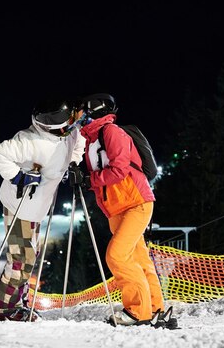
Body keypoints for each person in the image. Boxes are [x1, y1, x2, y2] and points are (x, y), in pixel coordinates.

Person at [68, 93, 174, 327]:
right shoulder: (92, 140)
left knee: (116, 255)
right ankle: (156, 308)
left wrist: (88, 179)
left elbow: (119, 170)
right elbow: (101, 178)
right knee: (139, 259)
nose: (75, 116)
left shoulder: (111, 132)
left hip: (136, 202)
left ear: (92, 110)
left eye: (79, 111)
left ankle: (138, 311)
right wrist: (81, 177)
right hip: (116, 208)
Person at [0, 99, 86, 321]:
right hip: (20, 206)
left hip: (38, 207)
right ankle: (4, 309)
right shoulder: (29, 140)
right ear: (48, 126)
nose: (69, 128)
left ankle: (17, 302)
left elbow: (79, 143)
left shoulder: (68, 134)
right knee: (22, 259)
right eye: (64, 125)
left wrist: (72, 164)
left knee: (29, 256)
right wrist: (18, 176)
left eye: (69, 123)